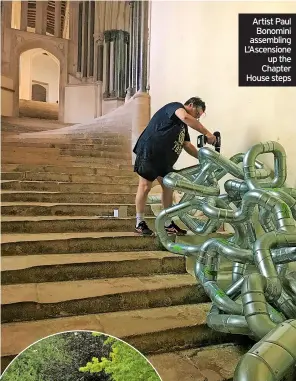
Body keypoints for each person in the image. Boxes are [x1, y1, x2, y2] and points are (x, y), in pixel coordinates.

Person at [133, 96, 216, 236]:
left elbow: (187, 145)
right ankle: (139, 222)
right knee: (145, 186)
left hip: (165, 161)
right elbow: (186, 118)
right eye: (198, 113)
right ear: (191, 105)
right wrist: (207, 133)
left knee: (168, 187)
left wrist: (202, 158)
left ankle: (167, 223)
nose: (197, 117)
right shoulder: (176, 107)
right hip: (150, 152)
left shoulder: (182, 127)